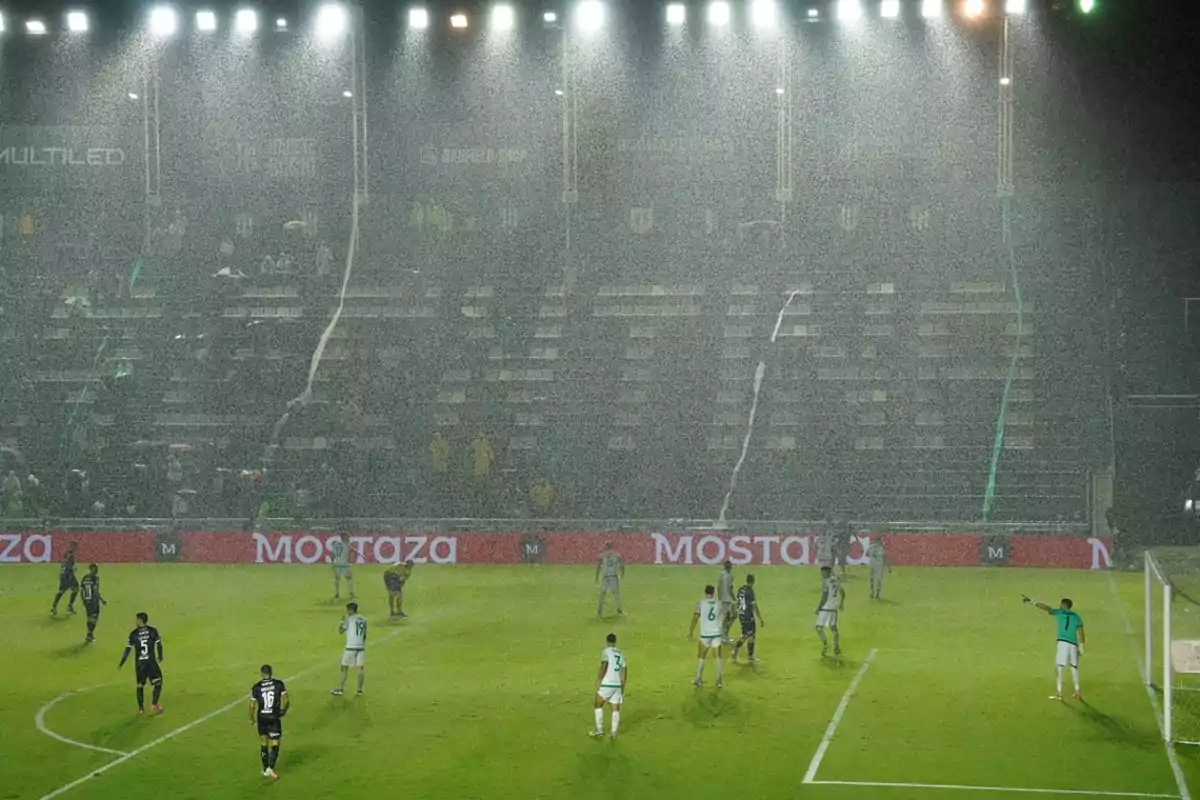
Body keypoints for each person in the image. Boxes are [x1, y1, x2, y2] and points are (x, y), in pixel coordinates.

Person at [1022, 595, 1085, 701]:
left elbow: (1047, 608)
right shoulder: (1076, 616)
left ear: (1064, 605)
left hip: (1063, 643)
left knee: (1059, 668)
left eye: (1061, 604)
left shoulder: (1059, 613)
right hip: (1073, 645)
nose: (1059, 606)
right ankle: (1077, 693)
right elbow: (1081, 631)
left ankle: (1059, 694)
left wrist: (1031, 601)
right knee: (1074, 668)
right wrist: (1082, 645)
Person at [119, 612, 164, 714]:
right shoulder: (153, 631)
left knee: (140, 685)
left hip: (140, 664)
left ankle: (141, 709)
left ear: (140, 621)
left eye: (136, 620)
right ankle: (154, 704)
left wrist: (122, 662)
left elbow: (128, 650)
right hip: (151, 662)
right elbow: (159, 645)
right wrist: (160, 656)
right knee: (158, 682)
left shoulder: (134, 634)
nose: (135, 622)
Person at [249, 664, 288, 781]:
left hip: (262, 718)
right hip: (274, 717)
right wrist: (283, 710)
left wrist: (251, 718)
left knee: (263, 743)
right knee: (275, 744)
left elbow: (251, 705)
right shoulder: (278, 684)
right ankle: (270, 767)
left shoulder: (256, 687)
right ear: (271, 672)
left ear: (262, 674)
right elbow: (285, 699)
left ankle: (266, 768)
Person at [590, 633, 627, 740]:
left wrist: (599, 680)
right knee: (615, 708)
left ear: (607, 641)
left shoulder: (606, 651)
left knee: (598, 704)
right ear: (615, 642)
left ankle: (599, 730)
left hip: (607, 682)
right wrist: (622, 685)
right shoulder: (621, 653)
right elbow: (624, 670)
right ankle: (613, 733)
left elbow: (604, 665)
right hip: (617, 684)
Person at [688, 585, 724, 688]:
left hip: (705, 634)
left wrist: (691, 631)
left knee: (701, 656)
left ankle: (698, 679)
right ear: (713, 593)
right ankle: (719, 681)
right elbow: (725, 615)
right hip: (716, 633)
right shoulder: (719, 604)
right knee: (717, 657)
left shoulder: (701, 604)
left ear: (705, 592)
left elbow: (695, 618)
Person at [331, 602, 367, 696]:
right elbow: (364, 635)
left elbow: (340, 631)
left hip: (351, 647)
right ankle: (359, 690)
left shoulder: (349, 620)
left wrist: (341, 622)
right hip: (361, 647)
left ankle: (340, 689)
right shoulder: (363, 619)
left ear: (350, 610)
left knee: (344, 667)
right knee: (360, 668)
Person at [732, 575, 765, 664]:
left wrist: (737, 611)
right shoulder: (750, 592)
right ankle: (736, 647)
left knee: (750, 636)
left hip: (742, 615)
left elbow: (738, 602)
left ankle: (750, 656)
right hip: (748, 617)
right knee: (748, 635)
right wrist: (760, 619)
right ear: (752, 582)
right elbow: (754, 606)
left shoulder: (741, 589)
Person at [816, 565, 844, 658]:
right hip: (834, 608)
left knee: (818, 628)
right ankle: (836, 648)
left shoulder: (826, 582)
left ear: (827, 572)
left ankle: (825, 644)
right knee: (834, 628)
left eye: (823, 573)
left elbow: (825, 596)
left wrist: (819, 607)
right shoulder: (835, 580)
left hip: (826, 608)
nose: (822, 574)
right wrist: (841, 603)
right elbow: (843, 592)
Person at [596, 541, 625, 618]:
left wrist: (597, 575)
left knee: (602, 593)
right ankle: (618, 609)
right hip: (613, 576)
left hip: (606, 576)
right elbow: (621, 563)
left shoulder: (602, 555)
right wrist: (622, 572)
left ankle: (600, 609)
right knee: (615, 593)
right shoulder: (616, 554)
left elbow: (598, 565)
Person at [51, 541, 80, 617]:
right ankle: (69, 606)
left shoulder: (65, 553)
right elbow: (67, 564)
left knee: (62, 591)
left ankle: (54, 607)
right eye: (75, 546)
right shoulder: (71, 555)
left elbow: (63, 562)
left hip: (62, 573)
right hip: (68, 574)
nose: (76, 548)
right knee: (76, 588)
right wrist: (73, 568)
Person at [80, 563, 107, 643]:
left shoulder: (84, 577)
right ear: (92, 569)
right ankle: (90, 634)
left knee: (89, 617)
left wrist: (83, 600)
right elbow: (95, 591)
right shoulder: (95, 578)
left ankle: (89, 634)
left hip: (86, 600)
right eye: (96, 569)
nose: (97, 570)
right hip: (93, 601)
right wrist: (101, 600)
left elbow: (82, 590)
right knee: (94, 618)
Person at [330, 533, 356, 601]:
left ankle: (336, 594)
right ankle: (351, 593)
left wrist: (332, 563)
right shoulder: (346, 545)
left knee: (336, 580)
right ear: (343, 538)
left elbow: (332, 555)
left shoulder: (335, 544)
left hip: (337, 564)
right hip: (344, 564)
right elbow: (354, 550)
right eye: (347, 537)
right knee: (349, 579)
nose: (348, 539)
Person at [717, 560, 736, 641]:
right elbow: (730, 589)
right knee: (732, 616)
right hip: (728, 600)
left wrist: (720, 597)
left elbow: (718, 587)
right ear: (730, 567)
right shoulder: (729, 576)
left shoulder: (721, 575)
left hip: (722, 599)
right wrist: (734, 599)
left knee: (725, 617)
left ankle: (724, 634)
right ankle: (724, 635)